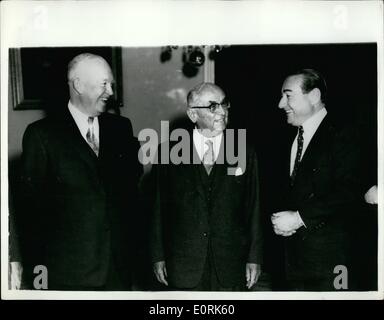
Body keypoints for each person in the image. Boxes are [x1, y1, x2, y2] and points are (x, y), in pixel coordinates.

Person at [17, 53, 142, 290]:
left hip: (118, 270)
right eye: (104, 84)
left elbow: (130, 194)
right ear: (78, 85)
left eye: (111, 85)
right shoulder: (41, 135)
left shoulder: (121, 129)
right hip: (67, 274)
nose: (111, 92)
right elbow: (30, 213)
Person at [150, 82, 263, 291]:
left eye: (224, 104)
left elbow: (253, 207)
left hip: (230, 265)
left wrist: (254, 257)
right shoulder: (168, 152)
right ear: (193, 114)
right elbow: (158, 208)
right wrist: (158, 255)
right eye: (213, 107)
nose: (222, 112)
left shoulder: (243, 150)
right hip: (184, 264)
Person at [271, 69, 361, 291]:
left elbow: (349, 191)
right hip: (294, 265)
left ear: (313, 96)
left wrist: (299, 218)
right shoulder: (287, 138)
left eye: (288, 95)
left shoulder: (344, 133)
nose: (281, 104)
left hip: (332, 266)